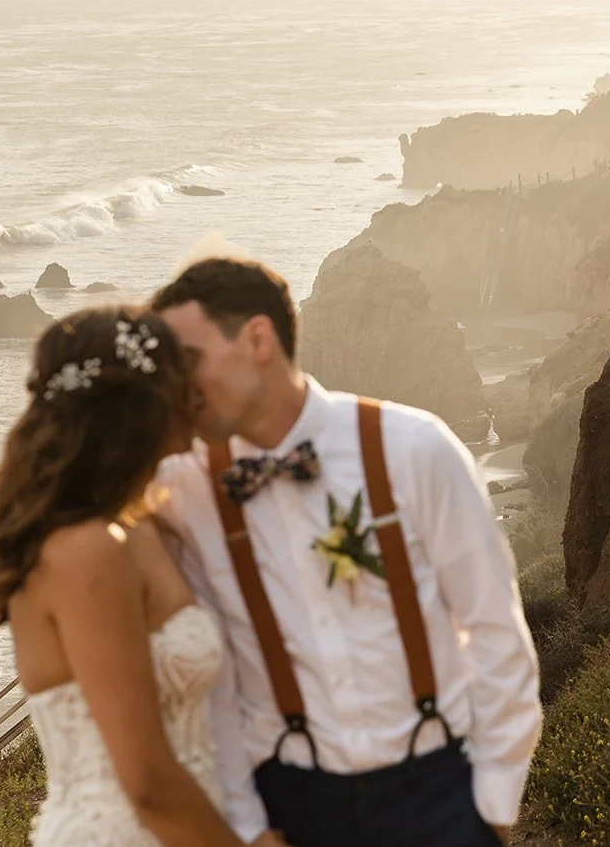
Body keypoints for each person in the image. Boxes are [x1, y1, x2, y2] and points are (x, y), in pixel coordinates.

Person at [151, 257, 542, 847]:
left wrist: (489, 817)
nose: (178, 386)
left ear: (258, 339)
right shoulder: (183, 491)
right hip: (289, 805)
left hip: (436, 795)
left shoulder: (414, 447)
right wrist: (250, 827)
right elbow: (216, 684)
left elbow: (495, 631)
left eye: (189, 362)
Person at [0, 307, 269, 847]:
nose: (197, 395)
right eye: (182, 382)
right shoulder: (85, 552)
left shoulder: (143, 525)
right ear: (141, 408)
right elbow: (147, 779)